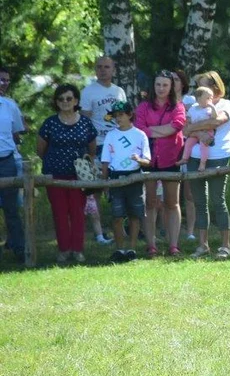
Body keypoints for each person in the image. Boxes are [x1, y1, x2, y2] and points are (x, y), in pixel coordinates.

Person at [37, 83, 96, 264]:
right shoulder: (50, 123)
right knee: (60, 213)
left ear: (76, 100)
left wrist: (85, 165)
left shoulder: (86, 123)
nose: (65, 102)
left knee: (78, 213)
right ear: (56, 102)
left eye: (69, 98)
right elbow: (40, 150)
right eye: (61, 99)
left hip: (79, 176)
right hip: (54, 175)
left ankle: (78, 250)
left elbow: (91, 149)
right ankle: (63, 250)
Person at [185, 71, 230, 259]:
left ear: (215, 87)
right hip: (195, 157)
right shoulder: (194, 106)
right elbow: (184, 129)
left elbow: (217, 121)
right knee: (199, 202)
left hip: (219, 155)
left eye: (204, 85)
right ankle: (202, 245)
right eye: (198, 86)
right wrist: (196, 133)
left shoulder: (226, 104)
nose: (200, 90)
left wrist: (193, 128)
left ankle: (225, 245)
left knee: (218, 200)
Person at [134, 70, 186, 256]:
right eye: (158, 84)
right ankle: (151, 245)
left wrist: (150, 130)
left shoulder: (178, 106)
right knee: (150, 202)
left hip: (171, 158)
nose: (161, 88)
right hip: (148, 159)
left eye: (165, 85)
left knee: (172, 202)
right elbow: (138, 129)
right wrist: (161, 131)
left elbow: (177, 126)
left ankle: (173, 245)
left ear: (171, 86)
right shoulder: (143, 107)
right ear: (153, 86)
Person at [100, 100, 151, 261]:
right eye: (115, 116)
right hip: (115, 178)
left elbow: (147, 161)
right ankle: (119, 249)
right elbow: (105, 161)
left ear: (130, 115)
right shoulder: (111, 135)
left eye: (121, 115)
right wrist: (105, 181)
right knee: (117, 216)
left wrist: (139, 159)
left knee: (135, 215)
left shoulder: (140, 135)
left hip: (135, 178)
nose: (118, 118)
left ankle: (132, 249)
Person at [0, 66, 26, 263]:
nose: (4, 83)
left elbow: (17, 134)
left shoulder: (9, 105)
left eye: (6, 80)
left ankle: (19, 249)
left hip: (7, 160)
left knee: (11, 209)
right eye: (1, 79)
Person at [81, 55, 127, 158]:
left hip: (118, 142)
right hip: (98, 144)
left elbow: (125, 118)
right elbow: (84, 122)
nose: (102, 70)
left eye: (106, 67)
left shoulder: (119, 91)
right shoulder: (87, 92)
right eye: (99, 67)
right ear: (95, 70)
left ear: (113, 70)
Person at [179, 87, 217, 172]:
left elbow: (214, 118)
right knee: (188, 143)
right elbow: (188, 116)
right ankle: (185, 158)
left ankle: (202, 163)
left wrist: (213, 108)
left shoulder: (209, 109)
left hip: (207, 132)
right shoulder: (193, 107)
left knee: (204, 146)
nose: (210, 100)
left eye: (211, 98)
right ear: (199, 99)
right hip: (194, 132)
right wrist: (188, 121)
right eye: (207, 98)